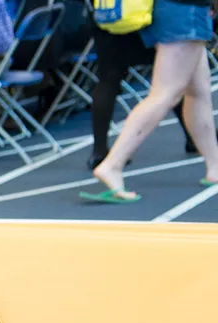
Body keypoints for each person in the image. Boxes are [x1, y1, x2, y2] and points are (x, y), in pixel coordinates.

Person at [84, 0, 218, 202]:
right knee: (165, 93)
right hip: (185, 11)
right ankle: (112, 165)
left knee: (198, 89)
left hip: (177, 10)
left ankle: (215, 166)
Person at [86, 21, 196, 170]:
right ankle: (192, 136)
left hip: (109, 16)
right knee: (171, 81)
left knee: (108, 79)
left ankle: (99, 151)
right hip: (145, 19)